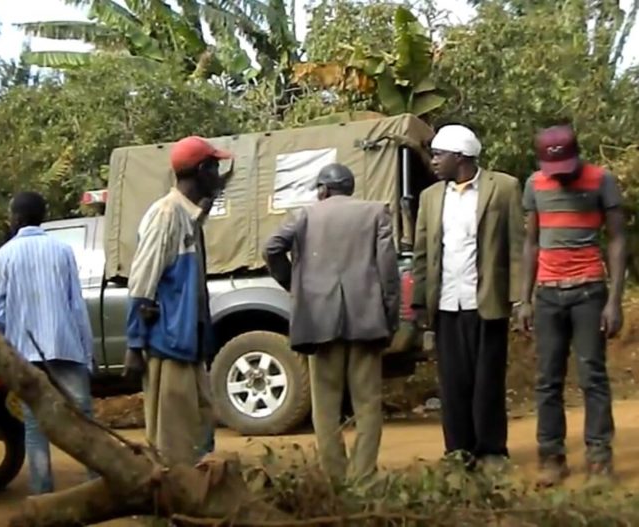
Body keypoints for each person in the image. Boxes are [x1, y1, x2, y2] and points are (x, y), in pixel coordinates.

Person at [263, 163, 400, 486]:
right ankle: (364, 476)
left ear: (323, 190)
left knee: (325, 406)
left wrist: (295, 286)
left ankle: (336, 477)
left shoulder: (305, 216)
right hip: (367, 321)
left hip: (319, 320)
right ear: (349, 188)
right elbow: (389, 273)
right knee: (367, 404)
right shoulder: (375, 213)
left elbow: (272, 248)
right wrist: (390, 318)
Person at [411, 124, 524, 471]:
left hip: (486, 301)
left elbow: (517, 246)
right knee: (453, 383)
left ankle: (492, 451)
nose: (433, 162)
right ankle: (458, 452)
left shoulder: (503, 188)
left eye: (438, 155)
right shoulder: (431, 197)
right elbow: (421, 252)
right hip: (446, 302)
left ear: (460, 157)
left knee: (487, 380)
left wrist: (519, 299)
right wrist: (418, 301)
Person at [519, 124, 626, 487]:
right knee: (547, 380)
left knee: (592, 376)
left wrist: (614, 300)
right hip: (547, 294)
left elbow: (617, 239)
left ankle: (599, 460)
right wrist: (525, 299)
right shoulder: (535, 185)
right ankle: (552, 458)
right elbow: (531, 243)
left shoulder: (602, 180)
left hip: (588, 292)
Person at [124, 136, 232, 466]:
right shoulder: (166, 214)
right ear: (202, 170)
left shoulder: (188, 216)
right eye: (215, 167)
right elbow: (142, 281)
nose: (219, 175)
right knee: (172, 442)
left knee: (197, 430)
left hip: (187, 344)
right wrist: (134, 342)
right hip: (168, 344)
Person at [0, 191, 95, 495]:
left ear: (16, 219)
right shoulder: (62, 250)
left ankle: (42, 493)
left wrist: (4, 357)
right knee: (84, 419)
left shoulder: (1, 258)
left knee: (35, 426)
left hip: (24, 354)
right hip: (66, 347)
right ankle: (97, 484)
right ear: (42, 217)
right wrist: (88, 354)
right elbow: (77, 307)